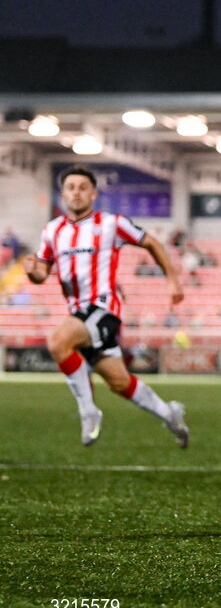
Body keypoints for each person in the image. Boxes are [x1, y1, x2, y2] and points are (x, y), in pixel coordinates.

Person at [22, 166, 189, 448]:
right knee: (119, 382)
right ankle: (168, 412)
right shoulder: (53, 230)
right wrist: (31, 271)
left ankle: (88, 411)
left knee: (58, 342)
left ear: (93, 193)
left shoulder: (111, 223)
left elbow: (152, 243)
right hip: (78, 312)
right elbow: (42, 274)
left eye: (82, 187)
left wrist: (172, 280)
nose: (76, 192)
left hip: (104, 307)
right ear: (62, 194)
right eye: (71, 187)